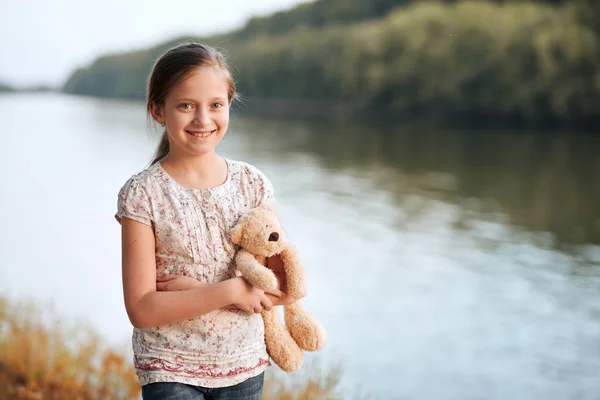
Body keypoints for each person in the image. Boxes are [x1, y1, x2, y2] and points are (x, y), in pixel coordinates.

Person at [115, 42, 295, 400]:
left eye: (215, 105)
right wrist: (230, 291)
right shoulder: (143, 193)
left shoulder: (253, 184)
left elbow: (284, 287)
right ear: (158, 111)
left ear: (229, 105)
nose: (202, 119)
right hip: (169, 368)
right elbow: (142, 309)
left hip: (243, 366)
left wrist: (194, 291)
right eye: (186, 106)